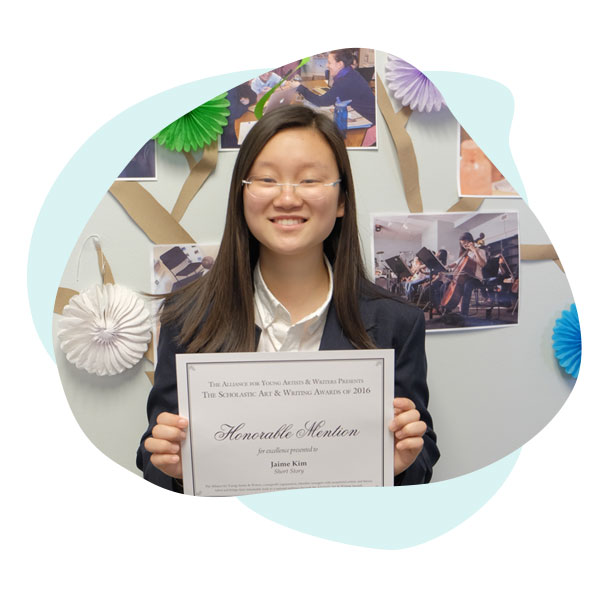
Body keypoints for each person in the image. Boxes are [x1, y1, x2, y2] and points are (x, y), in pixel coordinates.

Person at [137, 105, 438, 492]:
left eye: (310, 180)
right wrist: (171, 466)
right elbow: (153, 460)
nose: (287, 198)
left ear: (342, 200)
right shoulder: (186, 316)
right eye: (266, 179)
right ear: (242, 196)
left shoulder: (398, 322)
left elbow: (422, 459)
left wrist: (400, 464)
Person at [294, 49, 376, 125]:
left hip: (368, 122)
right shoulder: (350, 73)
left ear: (340, 64)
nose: (327, 65)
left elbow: (322, 101)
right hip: (368, 116)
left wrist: (299, 87)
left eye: (329, 62)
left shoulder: (345, 81)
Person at [446, 233, 487, 316]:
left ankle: (464, 314)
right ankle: (446, 308)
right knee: (447, 283)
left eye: (465, 243)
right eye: (462, 244)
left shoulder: (480, 251)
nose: (464, 245)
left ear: (471, 241)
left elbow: (482, 264)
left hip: (476, 278)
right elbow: (455, 263)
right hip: (465, 277)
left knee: (467, 285)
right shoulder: (465, 254)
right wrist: (446, 266)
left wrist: (475, 250)